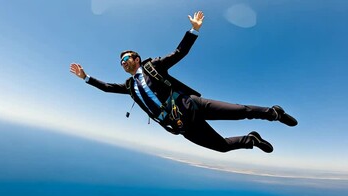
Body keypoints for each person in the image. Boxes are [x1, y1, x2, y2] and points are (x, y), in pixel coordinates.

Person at [70, 11, 297, 153]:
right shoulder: (130, 87)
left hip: (190, 105)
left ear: (137, 59)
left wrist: (193, 30)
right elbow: (108, 88)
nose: (123, 63)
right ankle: (251, 140)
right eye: (121, 62)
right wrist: (86, 77)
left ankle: (273, 113)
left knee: (240, 111)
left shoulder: (153, 66)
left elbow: (178, 52)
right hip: (180, 125)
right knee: (221, 147)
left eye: (126, 58)